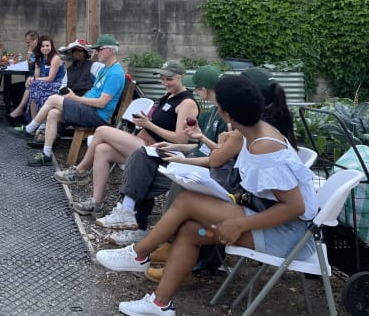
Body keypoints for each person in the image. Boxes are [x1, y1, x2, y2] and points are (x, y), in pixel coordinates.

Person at [96, 74, 316, 316]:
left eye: (218, 105)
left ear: (228, 115)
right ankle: (160, 304)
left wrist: (241, 223)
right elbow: (218, 159)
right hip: (265, 215)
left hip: (289, 234)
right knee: (191, 231)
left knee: (187, 201)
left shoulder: (264, 145)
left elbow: (295, 207)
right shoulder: (249, 131)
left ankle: (138, 254)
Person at [98, 65, 226, 247]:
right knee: (141, 160)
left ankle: (134, 221)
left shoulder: (215, 113)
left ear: (203, 90)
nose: (165, 82)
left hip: (200, 170)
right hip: (189, 160)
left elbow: (218, 156)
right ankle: (131, 218)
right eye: (163, 78)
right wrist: (174, 146)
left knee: (141, 163)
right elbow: (199, 145)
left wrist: (181, 157)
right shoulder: (210, 112)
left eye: (197, 88)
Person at [57, 59, 198, 217]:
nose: (165, 82)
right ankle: (96, 203)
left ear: (181, 77)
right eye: (163, 79)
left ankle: (80, 171)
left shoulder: (187, 103)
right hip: (144, 146)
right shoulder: (169, 96)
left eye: (169, 79)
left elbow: (181, 140)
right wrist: (146, 122)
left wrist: (149, 125)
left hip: (159, 153)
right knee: (102, 149)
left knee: (102, 130)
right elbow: (163, 124)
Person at [9, 34, 126, 168]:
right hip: (87, 109)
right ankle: (46, 154)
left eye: (99, 49)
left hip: (97, 116)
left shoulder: (115, 73)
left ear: (110, 51)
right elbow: (93, 93)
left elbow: (101, 103)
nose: (96, 52)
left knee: (53, 98)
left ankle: (29, 129)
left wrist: (75, 98)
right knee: (53, 113)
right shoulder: (105, 69)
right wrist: (78, 100)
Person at [20, 35, 65, 121]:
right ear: (39, 47)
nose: (45, 48)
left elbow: (51, 78)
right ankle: (33, 121)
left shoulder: (55, 58)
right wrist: (32, 79)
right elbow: (37, 76)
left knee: (33, 86)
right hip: (45, 83)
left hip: (56, 84)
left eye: (47, 46)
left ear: (51, 46)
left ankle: (33, 122)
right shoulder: (39, 58)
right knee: (33, 86)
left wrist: (33, 79)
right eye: (42, 46)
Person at [7, 29, 39, 123]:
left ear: (35, 40)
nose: (27, 44)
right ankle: (19, 111)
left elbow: (28, 63)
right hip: (32, 77)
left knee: (18, 88)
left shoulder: (40, 50)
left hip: (38, 79)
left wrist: (29, 50)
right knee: (13, 87)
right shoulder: (34, 50)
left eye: (28, 42)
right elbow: (28, 62)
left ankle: (22, 112)